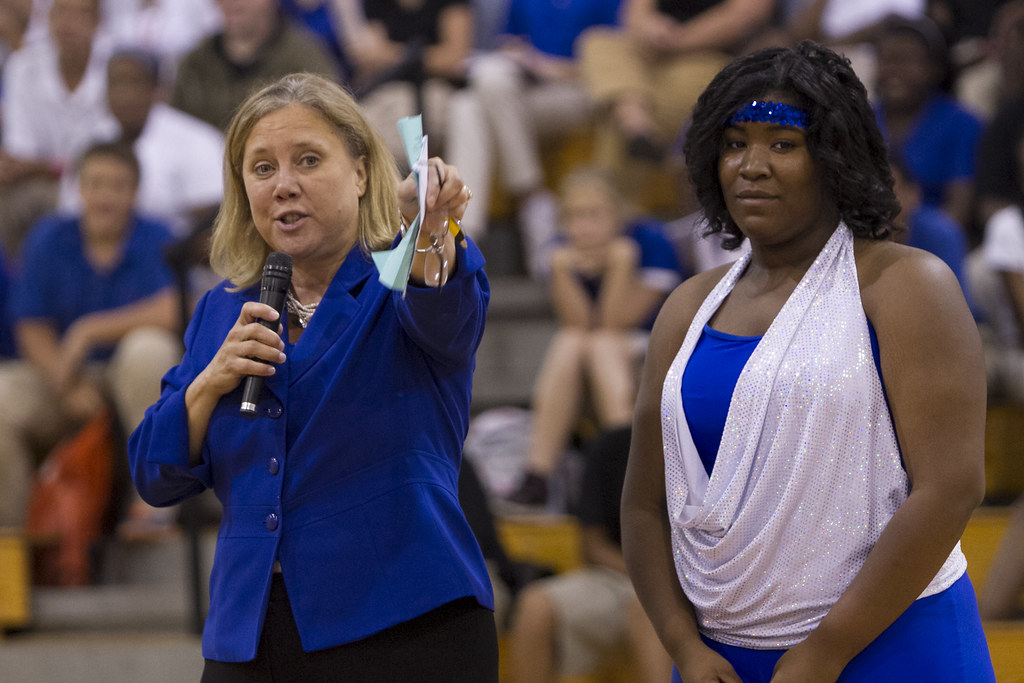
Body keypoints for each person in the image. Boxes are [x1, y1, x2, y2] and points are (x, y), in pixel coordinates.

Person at [622, 42, 995, 682]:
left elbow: (951, 486)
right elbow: (642, 506)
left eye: (782, 144)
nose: (751, 166)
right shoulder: (686, 307)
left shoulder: (906, 284)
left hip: (890, 645)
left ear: (835, 157)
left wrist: (828, 649)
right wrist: (683, 646)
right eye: (735, 143)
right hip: (720, 658)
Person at [127, 72, 497, 680]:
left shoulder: (397, 277)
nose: (285, 185)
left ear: (359, 172)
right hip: (249, 633)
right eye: (263, 168)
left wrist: (431, 233)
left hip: (404, 621)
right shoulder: (223, 309)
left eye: (308, 160)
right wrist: (209, 382)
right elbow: (154, 474)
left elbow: (447, 309)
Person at [0, 141, 181, 531]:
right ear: (79, 189)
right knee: (3, 396)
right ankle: (11, 541)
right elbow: (31, 326)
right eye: (96, 184)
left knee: (149, 350)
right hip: (65, 375)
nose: (105, 196)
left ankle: (154, 506)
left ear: (135, 193)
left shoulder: (158, 237)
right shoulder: (49, 238)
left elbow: (173, 309)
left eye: (118, 186)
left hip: (129, 376)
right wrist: (63, 384)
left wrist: (88, 331)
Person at [505, 167, 681, 507]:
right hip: (598, 350)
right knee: (572, 340)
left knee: (600, 344)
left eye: (593, 215)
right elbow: (579, 322)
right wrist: (561, 271)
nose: (581, 227)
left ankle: (629, 466)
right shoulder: (559, 251)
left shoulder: (651, 241)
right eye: (572, 216)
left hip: (657, 346)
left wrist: (620, 264)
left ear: (618, 215)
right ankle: (537, 474)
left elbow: (616, 322)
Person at [446, 0, 620, 277]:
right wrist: (519, 58)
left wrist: (549, 67)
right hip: (527, 93)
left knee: (475, 101)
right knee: (469, 102)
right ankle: (527, 201)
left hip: (581, 91)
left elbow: (616, 63)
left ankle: (461, 229)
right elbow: (509, 45)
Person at [508, 426, 673, 683]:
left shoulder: (704, 441)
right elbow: (592, 544)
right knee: (534, 604)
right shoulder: (611, 445)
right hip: (618, 573)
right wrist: (645, 575)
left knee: (650, 609)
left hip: (687, 580)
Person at [577, 0, 777, 167]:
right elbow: (636, 13)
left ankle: (633, 124)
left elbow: (745, 16)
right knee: (597, 41)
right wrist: (648, 27)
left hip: (709, 55)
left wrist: (677, 41)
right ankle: (634, 119)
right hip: (651, 51)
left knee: (620, 104)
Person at [0, 0, 115, 259]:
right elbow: (20, 152)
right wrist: (42, 166)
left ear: (98, 23)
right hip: (38, 186)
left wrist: (41, 166)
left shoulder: (118, 66)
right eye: (60, 12)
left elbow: (104, 152)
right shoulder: (23, 66)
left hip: (100, 181)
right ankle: (20, 286)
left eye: (79, 15)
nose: (67, 24)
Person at [872, 15, 981, 230]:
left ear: (935, 68)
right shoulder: (857, 119)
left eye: (907, 61)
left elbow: (958, 214)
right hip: (863, 241)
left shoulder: (964, 124)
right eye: (887, 59)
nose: (895, 69)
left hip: (935, 245)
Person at [171, 0, 339, 132]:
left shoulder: (306, 58)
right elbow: (174, 128)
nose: (233, 2)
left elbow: (329, 121)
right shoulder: (194, 63)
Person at [344, 0, 475, 170]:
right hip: (386, 88)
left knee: (391, 135)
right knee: (352, 128)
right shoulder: (376, 4)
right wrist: (414, 56)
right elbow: (369, 57)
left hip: (436, 87)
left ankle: (404, 188)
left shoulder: (450, 4)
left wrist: (392, 55)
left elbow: (454, 58)